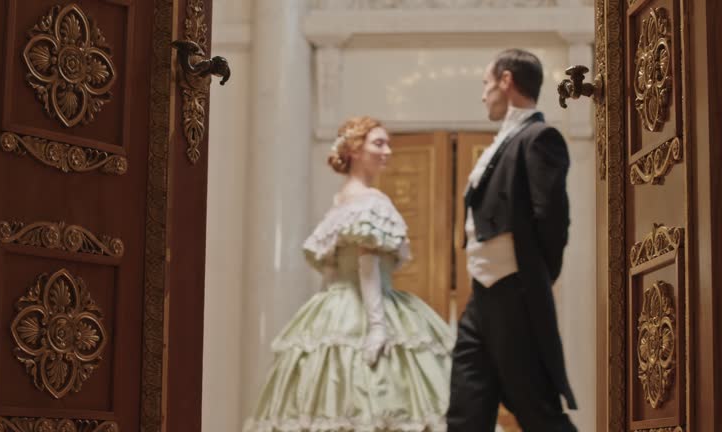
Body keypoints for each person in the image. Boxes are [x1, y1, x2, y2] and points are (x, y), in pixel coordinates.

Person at [243, 116, 453, 432]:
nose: (387, 152)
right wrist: (378, 326)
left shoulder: (339, 203)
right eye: (378, 143)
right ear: (355, 149)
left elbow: (329, 272)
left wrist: (324, 321)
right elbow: (366, 264)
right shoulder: (371, 202)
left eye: (388, 144)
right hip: (369, 306)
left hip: (334, 306)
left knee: (326, 400)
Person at [446, 49, 578, 432]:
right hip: (481, 298)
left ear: (506, 81)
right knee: (466, 409)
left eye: (486, 84)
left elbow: (553, 222)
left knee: (536, 410)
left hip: (514, 293)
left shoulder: (541, 138)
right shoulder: (502, 140)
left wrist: (531, 281)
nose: (483, 94)